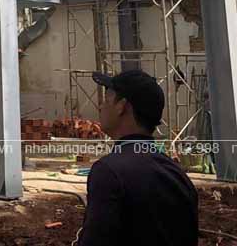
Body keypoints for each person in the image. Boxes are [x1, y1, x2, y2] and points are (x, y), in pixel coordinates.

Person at [77, 70, 198, 246]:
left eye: (107, 100)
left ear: (122, 107)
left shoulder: (109, 172)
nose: (101, 107)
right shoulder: (178, 176)